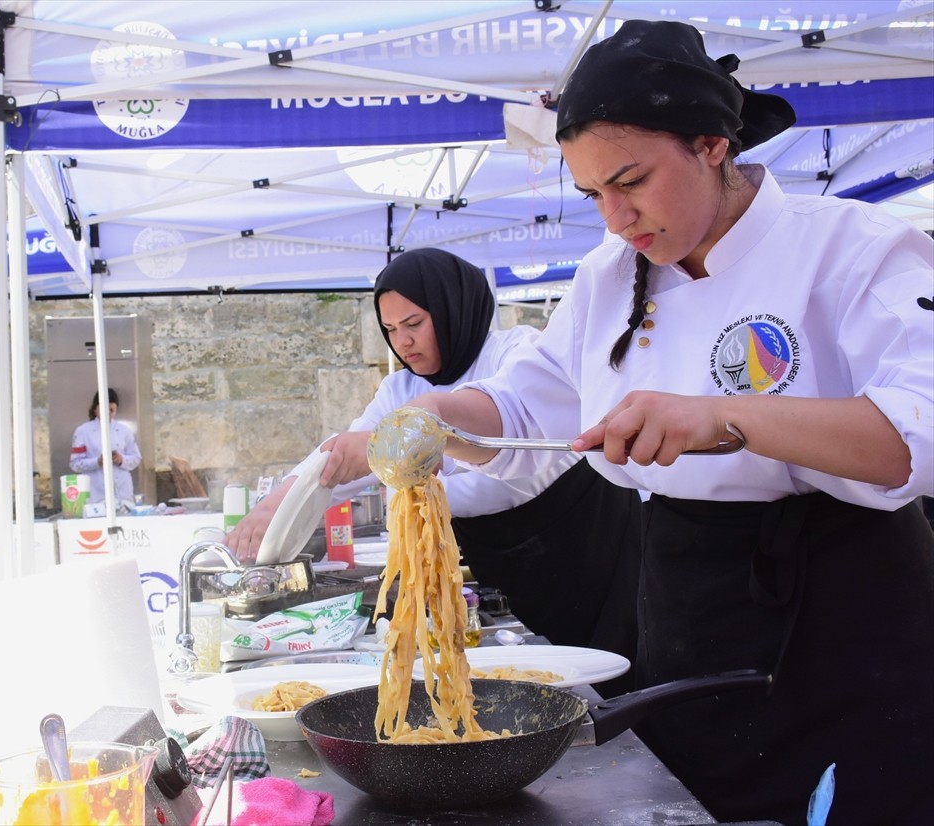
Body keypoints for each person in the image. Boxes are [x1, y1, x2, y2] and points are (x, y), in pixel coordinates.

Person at [375, 20, 933, 826]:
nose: (614, 217)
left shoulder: (853, 249)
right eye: (592, 194)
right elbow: (522, 411)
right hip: (688, 602)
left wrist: (726, 418)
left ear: (711, 144)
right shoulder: (610, 278)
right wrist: (439, 414)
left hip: (848, 610)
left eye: (630, 181)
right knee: (695, 802)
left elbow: (916, 435)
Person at [225, 248, 642, 691]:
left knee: (611, 669)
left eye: (413, 324)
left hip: (584, 545)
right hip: (500, 557)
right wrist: (276, 505)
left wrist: (413, 456)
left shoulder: (514, 354)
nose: (402, 342)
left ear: (452, 310)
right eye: (390, 330)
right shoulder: (400, 388)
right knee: (527, 679)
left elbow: (516, 467)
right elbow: (346, 455)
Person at [68, 388, 141, 507]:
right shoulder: (83, 431)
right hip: (95, 494)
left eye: (111, 410)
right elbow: (75, 464)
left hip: (123, 493)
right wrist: (97, 461)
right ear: (95, 409)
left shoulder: (124, 431)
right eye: (103, 409)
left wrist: (121, 459)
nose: (107, 414)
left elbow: (136, 458)